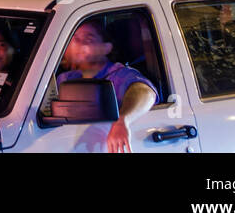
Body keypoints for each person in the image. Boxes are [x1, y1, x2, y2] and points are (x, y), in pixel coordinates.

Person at [55, 18, 158, 153]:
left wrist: (122, 120)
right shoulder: (65, 79)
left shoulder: (119, 75)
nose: (78, 43)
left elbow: (146, 92)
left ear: (106, 48)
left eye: (88, 39)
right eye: (74, 38)